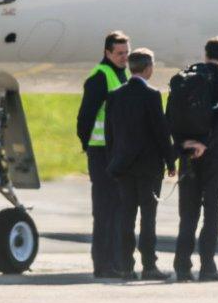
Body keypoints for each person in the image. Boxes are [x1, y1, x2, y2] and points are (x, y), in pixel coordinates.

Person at [168, 37, 218, 282]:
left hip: (187, 153)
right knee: (211, 211)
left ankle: (182, 266)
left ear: (205, 53)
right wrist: (205, 144)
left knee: (188, 213)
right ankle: (207, 266)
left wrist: (183, 144)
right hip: (214, 155)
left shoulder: (184, 79)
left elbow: (171, 115)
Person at [104, 48, 177, 281]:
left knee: (126, 216)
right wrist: (170, 161)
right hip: (148, 168)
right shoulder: (152, 95)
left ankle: (126, 266)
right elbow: (160, 131)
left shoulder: (115, 95)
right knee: (148, 217)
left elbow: (109, 133)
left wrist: (113, 159)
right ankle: (149, 266)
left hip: (123, 166)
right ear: (148, 68)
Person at [75, 30, 130, 279]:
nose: (124, 58)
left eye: (126, 53)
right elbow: (85, 117)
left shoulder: (122, 74)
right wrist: (88, 146)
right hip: (101, 152)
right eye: (119, 53)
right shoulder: (100, 77)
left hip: (116, 152)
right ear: (107, 53)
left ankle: (117, 262)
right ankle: (103, 264)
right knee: (104, 210)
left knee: (119, 209)